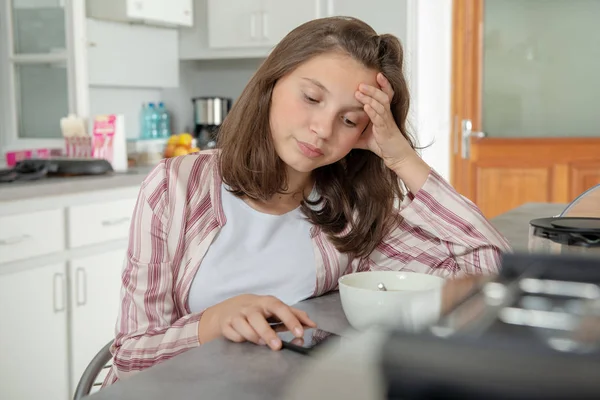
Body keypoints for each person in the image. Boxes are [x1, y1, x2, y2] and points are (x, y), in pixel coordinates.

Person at [103, 16, 511, 386]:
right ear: (273, 83)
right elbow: (128, 357)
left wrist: (402, 158)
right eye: (312, 98)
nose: (321, 129)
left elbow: (488, 272)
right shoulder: (176, 186)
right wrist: (212, 322)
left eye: (350, 120)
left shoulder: (351, 213)